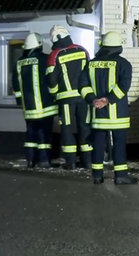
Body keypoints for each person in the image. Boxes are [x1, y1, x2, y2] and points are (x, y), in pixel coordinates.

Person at [79, 31, 138, 185]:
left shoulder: (90, 64)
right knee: (119, 144)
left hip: (97, 113)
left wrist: (93, 100)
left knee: (98, 143)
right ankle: (120, 176)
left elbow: (83, 86)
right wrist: (108, 100)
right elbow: (123, 87)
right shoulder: (124, 64)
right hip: (118, 113)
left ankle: (97, 176)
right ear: (118, 46)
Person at [46, 25, 93, 170]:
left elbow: (51, 81)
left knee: (66, 128)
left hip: (65, 99)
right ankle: (88, 161)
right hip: (84, 98)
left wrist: (54, 94)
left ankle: (70, 162)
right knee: (85, 127)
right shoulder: (82, 50)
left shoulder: (55, 55)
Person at [12, 32, 57, 168]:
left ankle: (30, 160)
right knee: (44, 134)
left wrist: (21, 102)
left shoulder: (19, 63)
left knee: (31, 135)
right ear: (39, 45)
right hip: (45, 106)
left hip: (28, 108)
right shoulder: (45, 59)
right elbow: (51, 79)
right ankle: (44, 161)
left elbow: (15, 85)